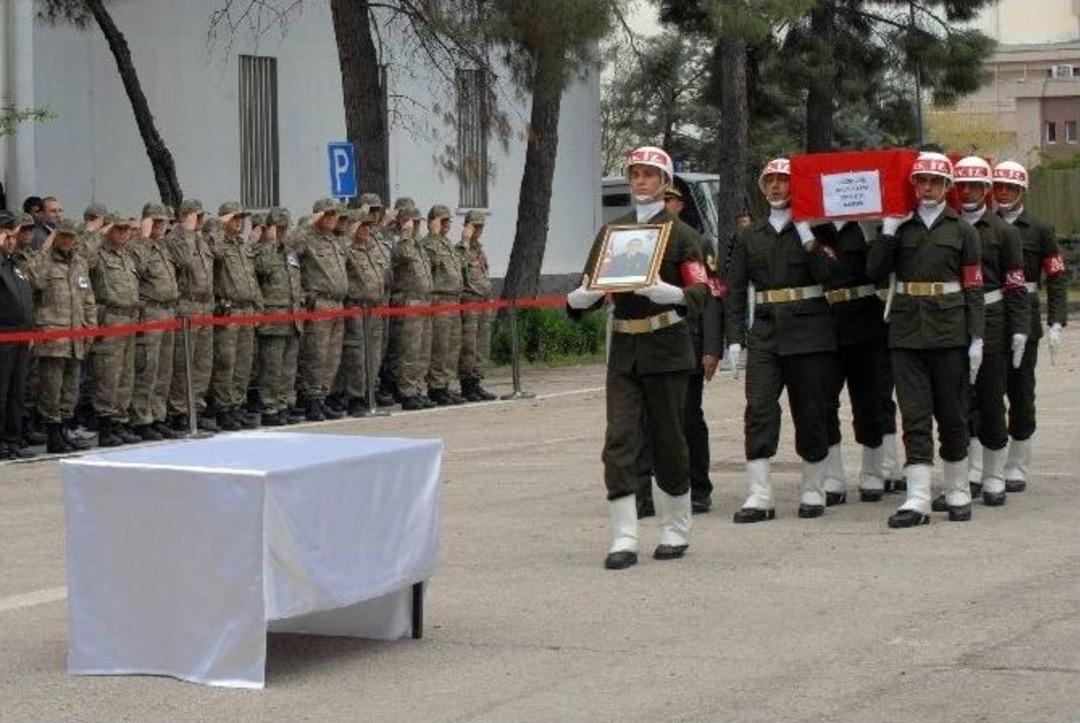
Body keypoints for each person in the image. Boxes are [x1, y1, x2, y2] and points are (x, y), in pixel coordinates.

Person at [566, 145, 708, 569]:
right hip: (625, 351)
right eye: (635, 174)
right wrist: (580, 298)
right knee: (620, 440)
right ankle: (625, 534)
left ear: (665, 183)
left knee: (668, 438)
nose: (640, 181)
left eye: (649, 174)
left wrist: (675, 296)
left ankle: (675, 527)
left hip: (666, 348)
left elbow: (702, 291)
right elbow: (589, 287)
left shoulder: (683, 234)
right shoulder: (613, 233)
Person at [866, 152, 984, 528]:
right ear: (913, 184)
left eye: (935, 181)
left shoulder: (963, 230)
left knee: (952, 413)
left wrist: (977, 336)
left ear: (948, 186)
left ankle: (957, 489)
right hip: (906, 332)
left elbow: (974, 287)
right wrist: (887, 230)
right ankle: (917, 498)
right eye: (921, 181)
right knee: (915, 416)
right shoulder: (901, 228)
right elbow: (875, 271)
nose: (927, 187)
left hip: (950, 331)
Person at [724, 158, 840, 523]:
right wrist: (734, 339)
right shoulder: (749, 235)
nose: (775, 187)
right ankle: (760, 494)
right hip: (767, 332)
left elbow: (830, 276)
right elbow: (736, 289)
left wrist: (807, 236)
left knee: (811, 409)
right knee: (758, 408)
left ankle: (812, 488)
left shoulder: (819, 231)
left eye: (783, 180)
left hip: (810, 332)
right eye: (769, 181)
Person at [930, 156, 1029, 508]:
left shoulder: (1005, 232)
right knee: (960, 402)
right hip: (956, 319)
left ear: (987, 189)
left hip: (995, 320)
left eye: (975, 185)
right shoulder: (950, 226)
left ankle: (994, 475)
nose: (967, 191)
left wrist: (1020, 329)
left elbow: (1016, 286)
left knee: (990, 400)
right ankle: (969, 474)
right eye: (961, 185)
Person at [993, 161, 1069, 493]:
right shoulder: (984, 225)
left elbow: (1055, 277)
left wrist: (1055, 320)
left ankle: (1017, 463)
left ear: (1023, 190)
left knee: (1021, 394)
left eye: (1010, 188)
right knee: (988, 394)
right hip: (993, 317)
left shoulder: (1040, 228)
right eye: (999, 187)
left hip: (1025, 318)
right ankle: (990, 462)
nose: (1004, 193)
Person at [812, 216, 889, 503]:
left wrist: (873, 237)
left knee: (869, 400)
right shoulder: (816, 227)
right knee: (824, 400)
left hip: (865, 318)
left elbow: (879, 271)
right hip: (826, 321)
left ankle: (872, 470)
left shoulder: (866, 225)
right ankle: (833, 476)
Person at [26, 218, 97, 452]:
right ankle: (53, 435)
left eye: (71, 236)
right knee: (50, 388)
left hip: (76, 336)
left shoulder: (79, 262)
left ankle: (65, 429)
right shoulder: (44, 261)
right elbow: (35, 281)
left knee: (71, 389)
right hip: (53, 335)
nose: (67, 240)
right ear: (56, 237)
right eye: (63, 235)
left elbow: (87, 297)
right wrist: (45, 253)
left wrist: (91, 326)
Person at [85, 214, 141, 447]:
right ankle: (106, 425)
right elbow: (83, 257)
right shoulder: (98, 254)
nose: (124, 233)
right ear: (109, 230)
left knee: (126, 376)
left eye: (127, 229)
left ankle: (120, 421)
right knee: (108, 375)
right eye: (119, 229)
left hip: (129, 318)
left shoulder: (127, 256)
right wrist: (97, 232)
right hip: (110, 318)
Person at [290, 198, 349, 421]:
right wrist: (308, 224)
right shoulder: (308, 238)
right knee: (316, 354)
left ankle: (322, 396)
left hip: (337, 303)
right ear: (320, 216)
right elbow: (289, 247)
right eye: (329, 214)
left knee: (331, 356)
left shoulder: (334, 241)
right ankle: (310, 399)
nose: (334, 218)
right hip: (320, 302)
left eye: (335, 215)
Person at [208, 201, 263, 431]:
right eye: (235, 218)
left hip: (246, 309)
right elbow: (214, 251)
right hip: (228, 309)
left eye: (242, 218)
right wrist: (219, 226)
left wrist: (258, 306)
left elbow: (251, 278)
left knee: (243, 363)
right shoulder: (219, 243)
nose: (240, 222)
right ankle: (223, 408)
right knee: (226, 363)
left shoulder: (243, 245)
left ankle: (237, 405)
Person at [128, 203, 180, 441]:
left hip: (168, 311)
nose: (161, 226)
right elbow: (137, 269)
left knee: (164, 369)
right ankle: (141, 418)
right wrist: (145, 236)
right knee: (147, 368)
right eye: (156, 221)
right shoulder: (136, 246)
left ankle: (158, 415)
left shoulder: (164, 247)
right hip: (150, 312)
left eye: (164, 222)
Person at [165, 199, 217, 433]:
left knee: (202, 364)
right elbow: (185, 261)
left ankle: (196, 408)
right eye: (197, 216)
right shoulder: (176, 239)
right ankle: (179, 411)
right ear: (185, 216)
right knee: (183, 363)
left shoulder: (200, 239)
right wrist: (187, 230)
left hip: (205, 306)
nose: (200, 221)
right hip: (187, 306)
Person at [253, 207, 304, 426]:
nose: (283, 232)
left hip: (292, 317)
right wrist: (270, 241)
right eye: (279, 228)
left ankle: (284, 404)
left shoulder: (289, 252)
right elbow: (262, 269)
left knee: (288, 368)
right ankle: (270, 407)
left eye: (285, 228)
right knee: (272, 367)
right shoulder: (261, 251)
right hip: (273, 319)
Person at [337, 210, 387, 415]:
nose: (368, 230)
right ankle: (355, 397)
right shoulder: (346, 249)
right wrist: (350, 233)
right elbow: (340, 253)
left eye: (369, 226)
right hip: (357, 308)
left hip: (374, 309)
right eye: (363, 226)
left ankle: (369, 393)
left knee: (374, 354)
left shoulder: (370, 250)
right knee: (357, 354)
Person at [391, 206, 436, 410]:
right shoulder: (402, 243)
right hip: (410, 301)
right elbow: (404, 255)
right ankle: (407, 391)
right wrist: (406, 232)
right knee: (410, 350)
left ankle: (417, 388)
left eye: (418, 222)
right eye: (413, 222)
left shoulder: (418, 245)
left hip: (424, 300)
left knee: (423, 350)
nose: (417, 226)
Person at [0, 211, 36, 458]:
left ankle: (13, 438)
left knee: (16, 392)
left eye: (13, 234)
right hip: (3, 336)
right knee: (1, 392)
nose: (11, 239)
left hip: (21, 335)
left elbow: (26, 300)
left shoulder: (16, 265)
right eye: (6, 234)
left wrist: (31, 330)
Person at [423, 205, 466, 405]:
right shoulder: (428, 244)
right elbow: (430, 263)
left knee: (452, 346)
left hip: (453, 300)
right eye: (443, 220)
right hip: (439, 299)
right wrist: (433, 233)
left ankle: (446, 384)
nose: (447, 224)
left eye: (448, 220)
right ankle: (436, 387)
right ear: (433, 221)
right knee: (439, 346)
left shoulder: (447, 244)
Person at [457, 209, 497, 402]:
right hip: (470, 301)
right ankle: (467, 384)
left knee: (482, 344)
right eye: (475, 226)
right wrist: (465, 241)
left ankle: (476, 381)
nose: (478, 230)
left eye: (481, 226)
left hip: (483, 301)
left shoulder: (479, 250)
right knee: (469, 345)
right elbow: (459, 267)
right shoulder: (460, 249)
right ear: (467, 226)